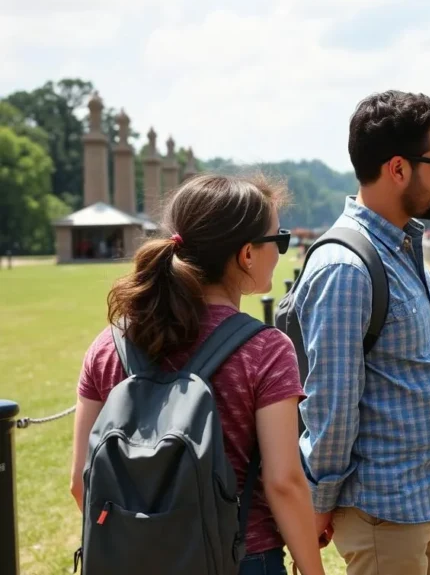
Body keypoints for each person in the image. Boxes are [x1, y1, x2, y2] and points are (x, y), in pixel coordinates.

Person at [70, 173, 326, 575]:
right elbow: (283, 483)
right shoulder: (266, 350)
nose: (281, 251)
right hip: (242, 557)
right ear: (246, 254)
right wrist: (313, 569)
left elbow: (80, 481)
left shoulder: (108, 346)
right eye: (279, 240)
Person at [294, 90, 430, 575]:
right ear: (398, 169)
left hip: (429, 501)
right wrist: (321, 500)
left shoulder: (402, 246)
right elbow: (330, 402)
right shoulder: (346, 267)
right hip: (385, 511)